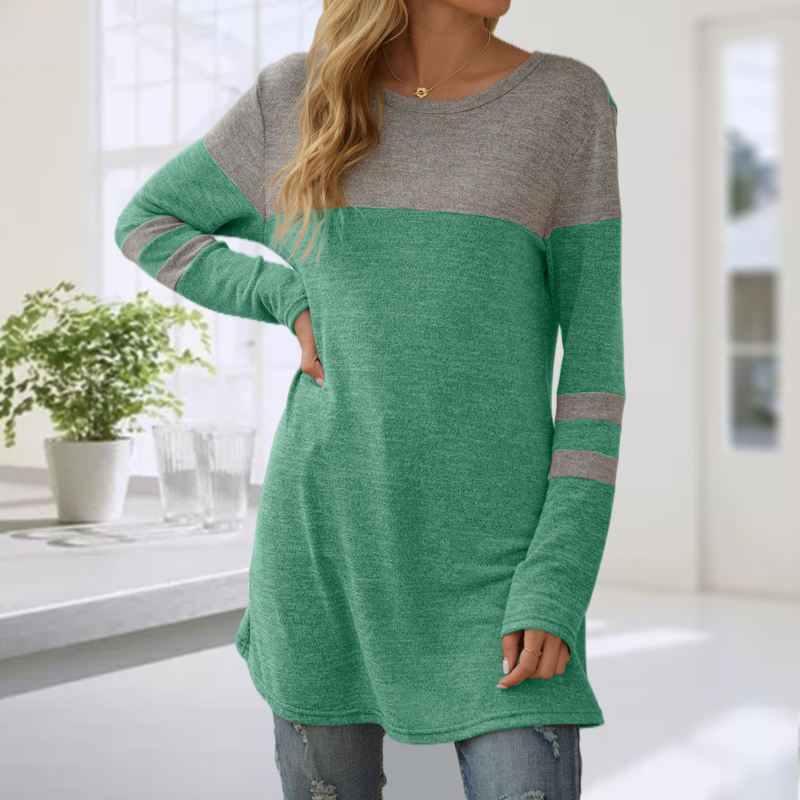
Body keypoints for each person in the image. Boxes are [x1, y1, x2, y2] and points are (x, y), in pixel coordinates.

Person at [115, 1, 625, 797]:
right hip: (324, 552)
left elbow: (594, 372)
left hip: (500, 567)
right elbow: (148, 222)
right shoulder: (293, 99)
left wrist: (557, 579)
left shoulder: (566, 104)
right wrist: (283, 297)